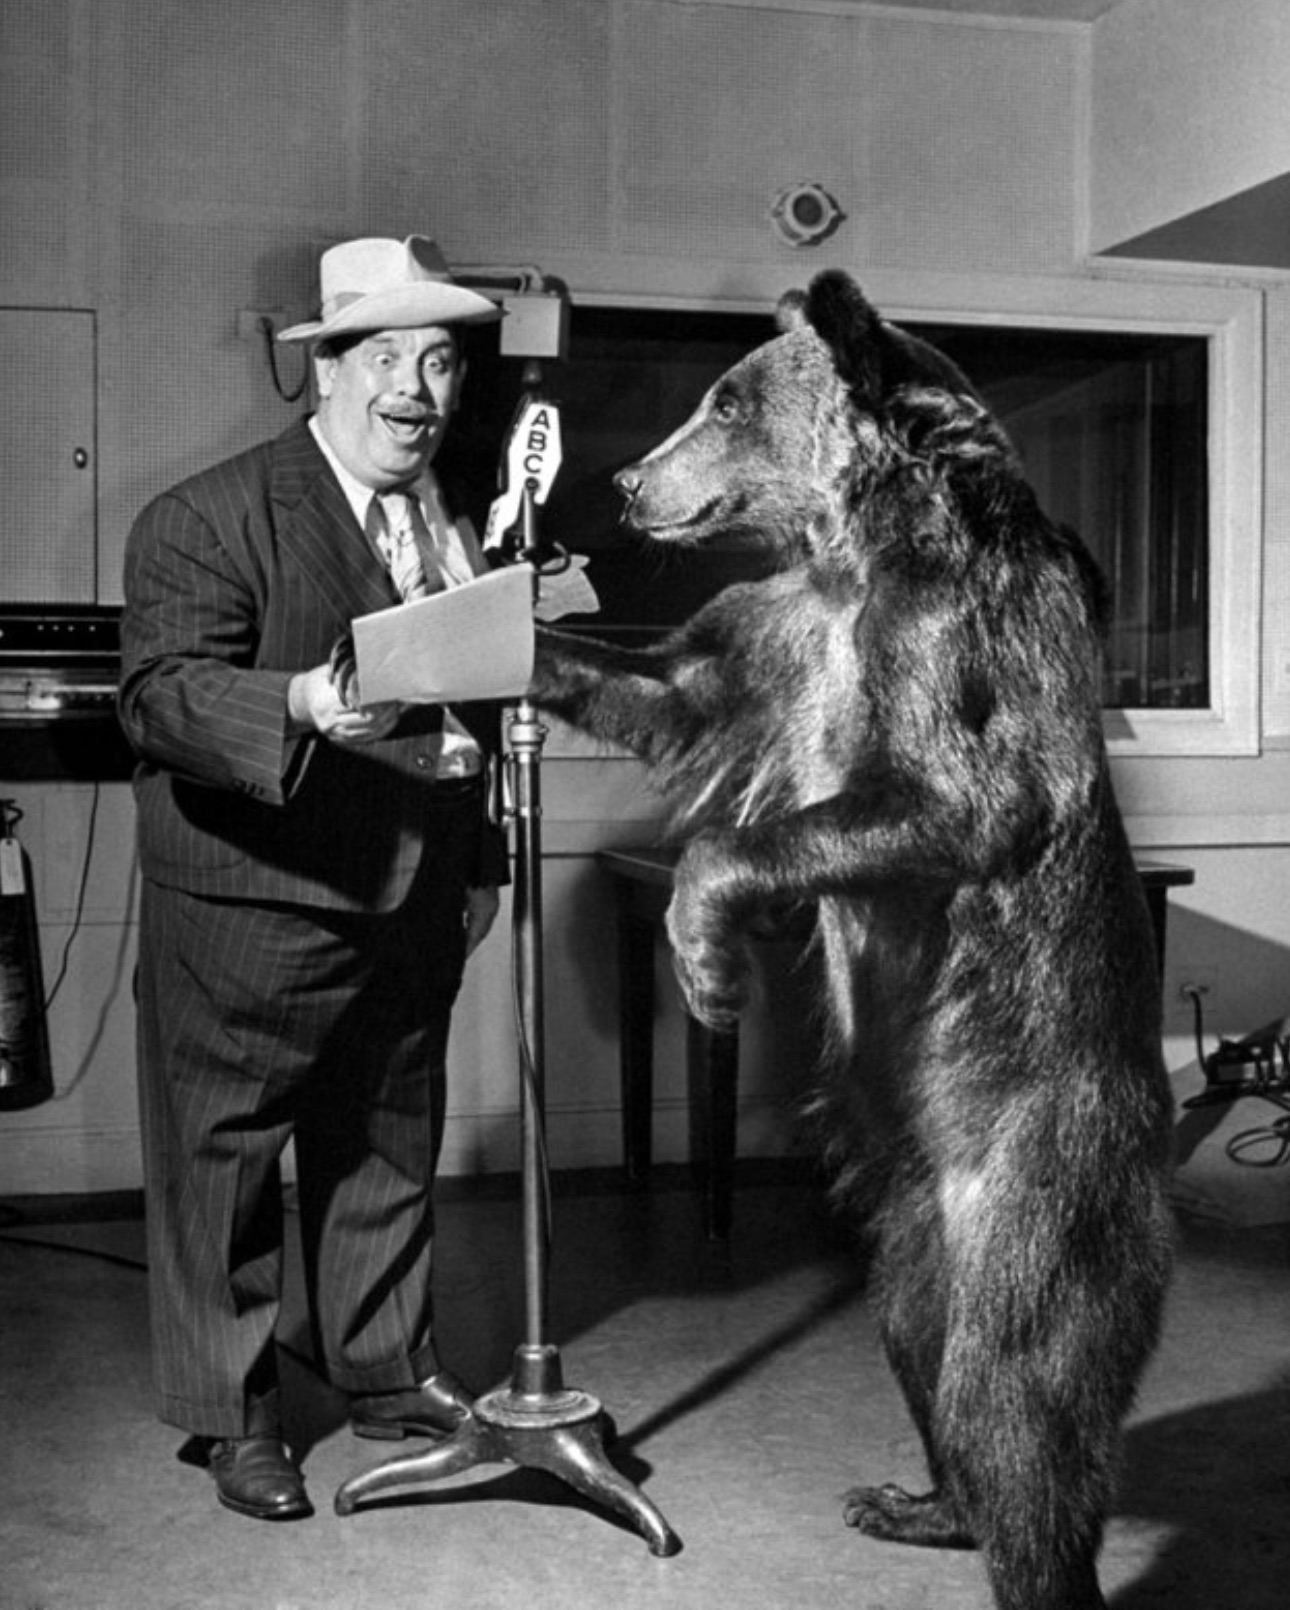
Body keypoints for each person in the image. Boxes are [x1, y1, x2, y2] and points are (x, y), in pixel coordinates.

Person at [118, 236, 509, 1522]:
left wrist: (483, 859)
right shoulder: (203, 515)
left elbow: (471, 716)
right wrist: (294, 699)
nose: (417, 387)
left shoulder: (455, 515)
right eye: (386, 356)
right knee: (223, 1161)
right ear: (324, 373)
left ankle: (391, 1378)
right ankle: (234, 1416)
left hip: (414, 901)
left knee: (386, 1147)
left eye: (440, 360)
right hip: (255, 902)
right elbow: (161, 695)